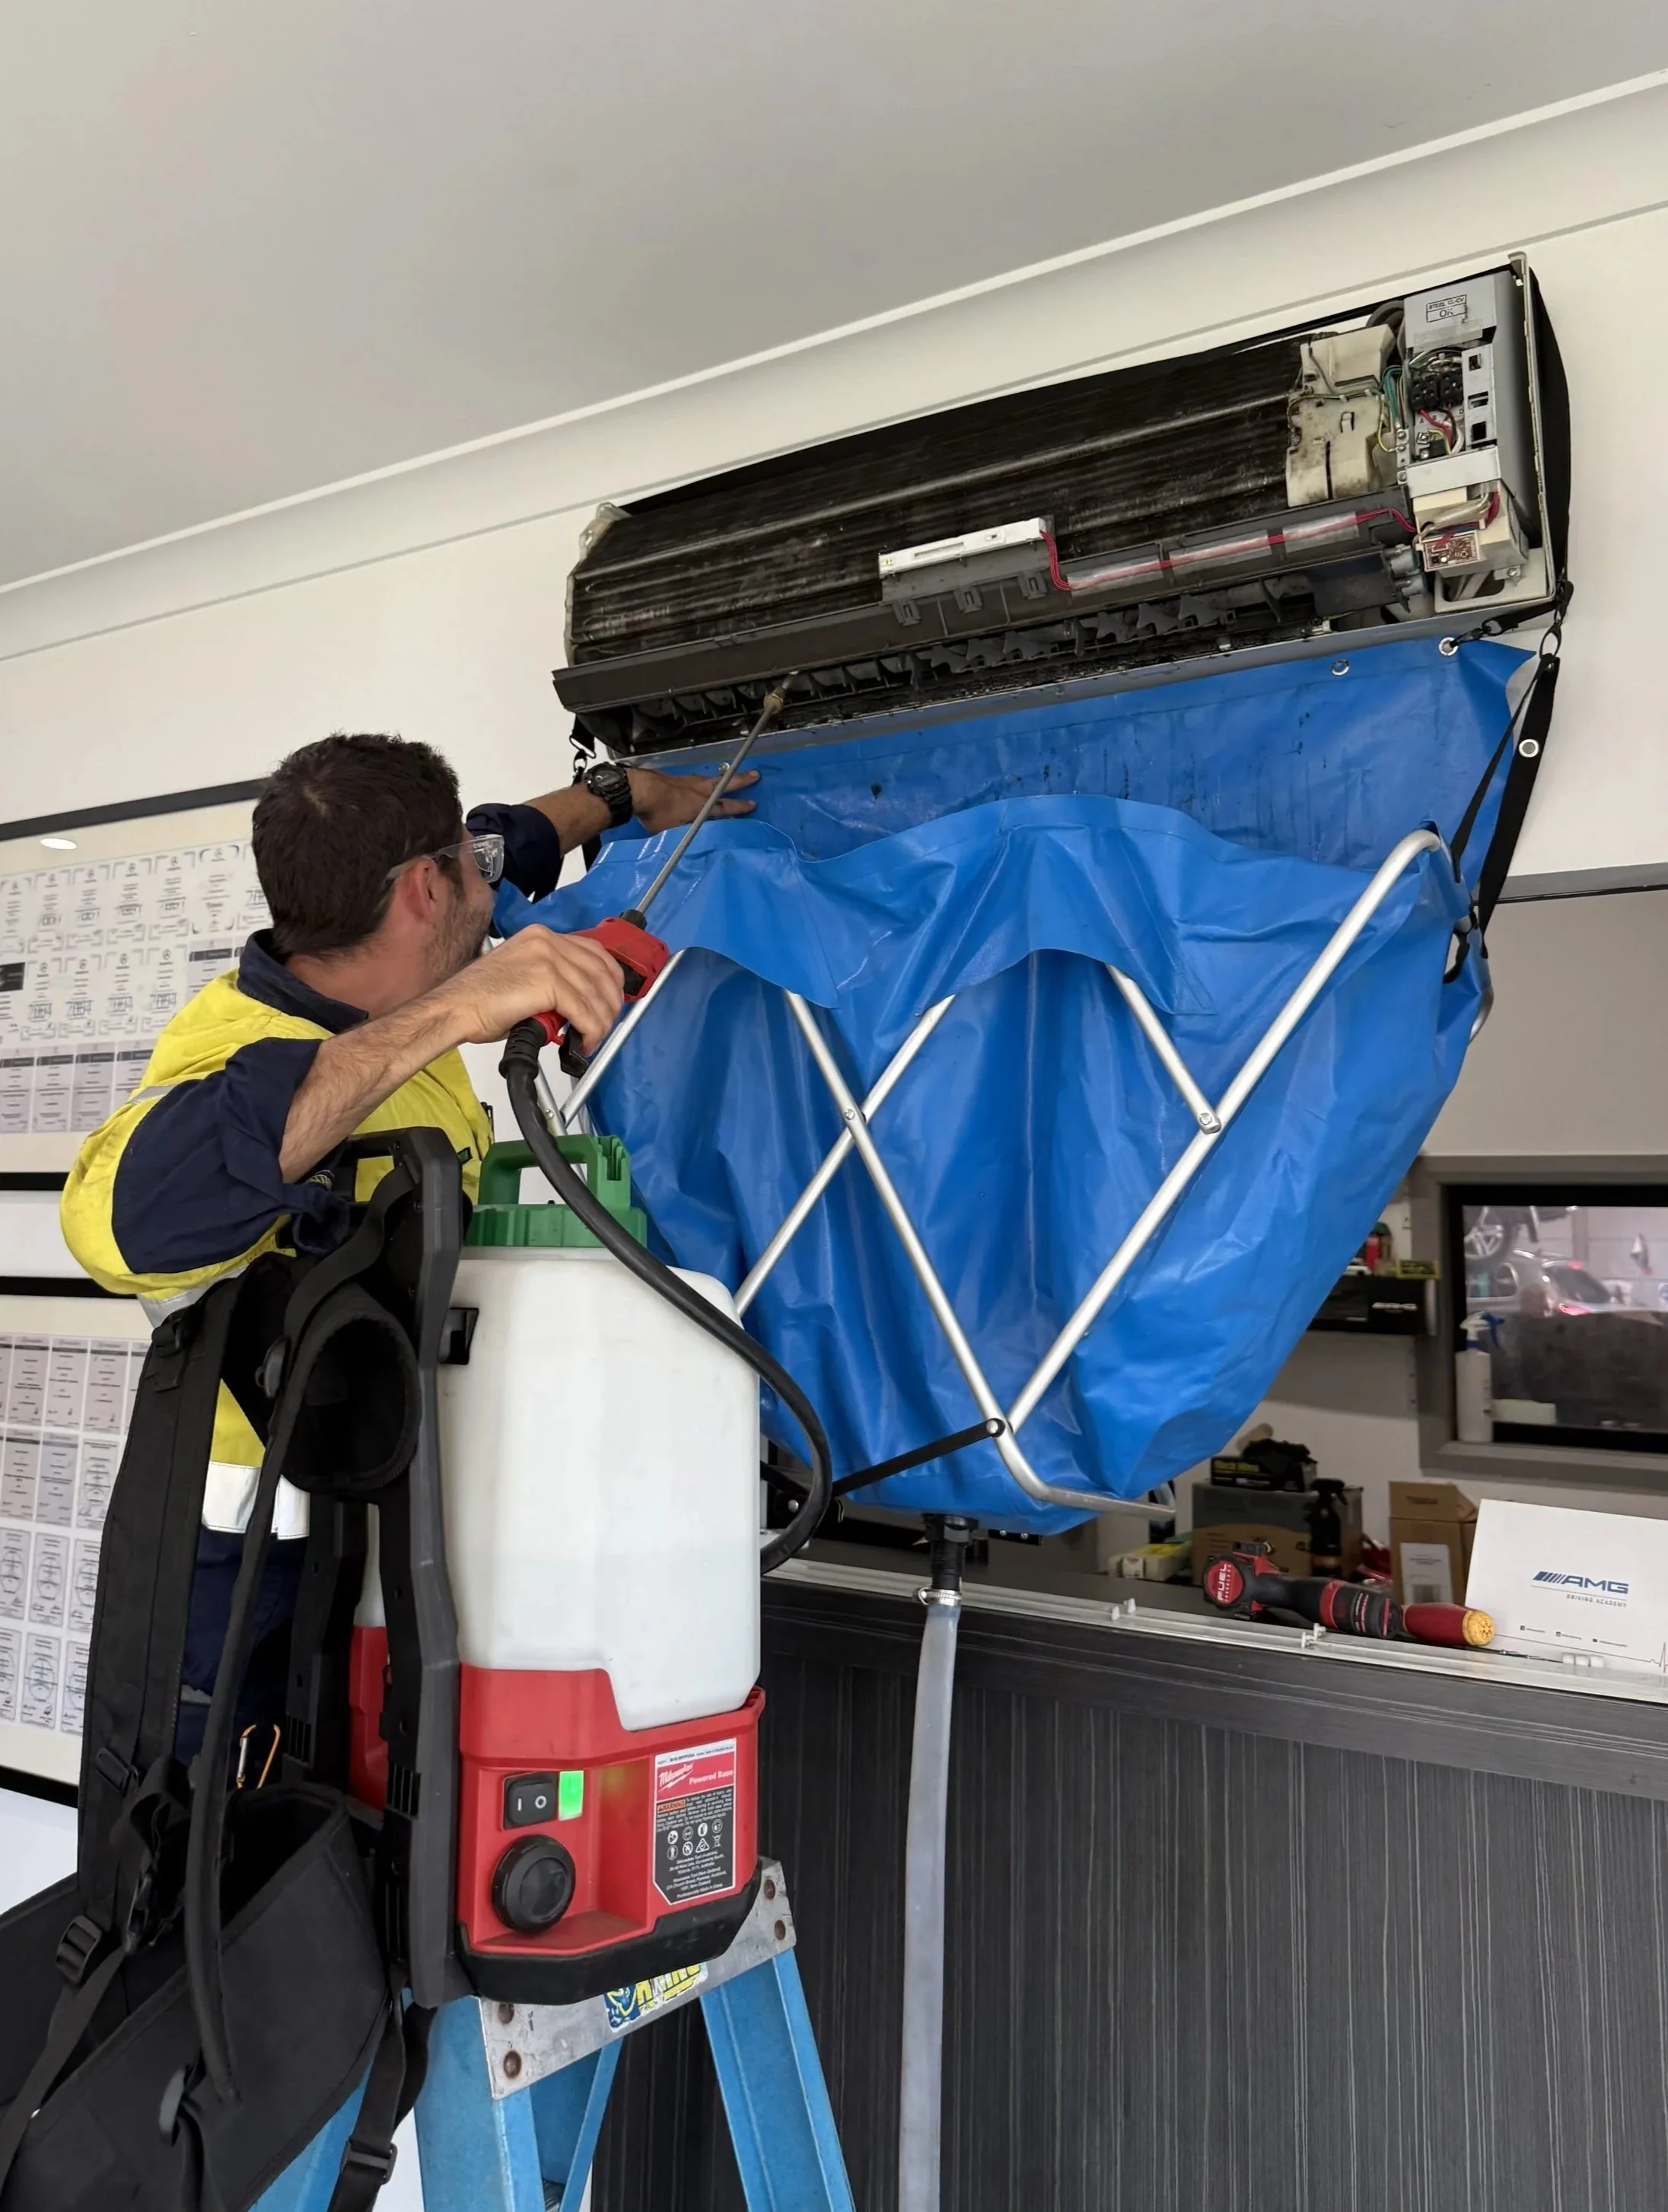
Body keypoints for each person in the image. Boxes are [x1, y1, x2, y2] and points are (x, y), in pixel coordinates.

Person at [59, 730, 758, 1745]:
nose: (486, 879)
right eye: (456, 870)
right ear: (421, 894)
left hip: (389, 1517)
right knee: (238, 1882)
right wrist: (463, 1005)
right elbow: (110, 1222)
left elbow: (506, 840)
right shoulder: (236, 1052)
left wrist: (621, 793)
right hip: (244, 1578)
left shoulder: (412, 898)